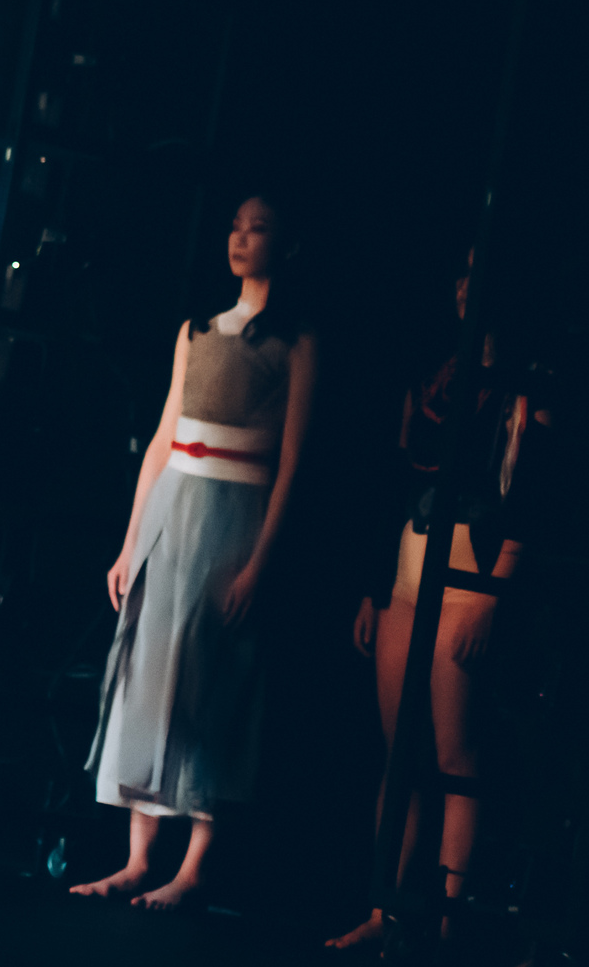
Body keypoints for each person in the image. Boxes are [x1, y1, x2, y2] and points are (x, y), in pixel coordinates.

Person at [71, 193, 318, 908]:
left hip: (233, 516)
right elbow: (162, 439)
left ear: (285, 244)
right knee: (148, 673)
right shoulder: (196, 330)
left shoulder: (295, 342)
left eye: (258, 228)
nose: (240, 238)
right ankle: (138, 857)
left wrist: (259, 562)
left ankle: (195, 866)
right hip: (174, 506)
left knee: (214, 681)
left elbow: (293, 464)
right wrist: (130, 542)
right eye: (235, 226)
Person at [326, 251, 545, 952]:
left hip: (465, 580)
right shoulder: (435, 376)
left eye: (482, 271)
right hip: (406, 574)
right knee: (401, 756)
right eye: (462, 272)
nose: (464, 285)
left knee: (455, 757)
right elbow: (391, 480)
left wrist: (491, 596)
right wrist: (373, 589)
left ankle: (448, 921)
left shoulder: (523, 387)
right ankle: (383, 909)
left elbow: (531, 498)